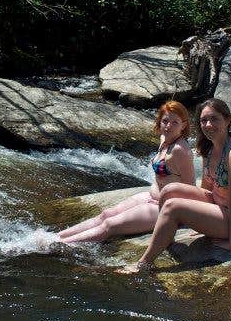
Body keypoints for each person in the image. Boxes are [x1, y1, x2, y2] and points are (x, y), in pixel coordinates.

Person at [118, 98, 231, 273]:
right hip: (219, 207)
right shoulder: (209, 147)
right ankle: (166, 238)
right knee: (169, 191)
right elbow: (206, 189)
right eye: (203, 120)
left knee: (173, 206)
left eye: (214, 119)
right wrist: (202, 217)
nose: (208, 125)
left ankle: (144, 264)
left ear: (228, 120)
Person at [58, 100, 195, 243]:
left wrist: (180, 216)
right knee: (106, 214)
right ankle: (58, 236)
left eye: (175, 123)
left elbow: (191, 188)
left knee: (110, 225)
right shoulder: (164, 140)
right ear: (160, 121)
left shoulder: (181, 150)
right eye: (165, 121)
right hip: (151, 197)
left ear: (183, 125)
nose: (168, 126)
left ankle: (59, 244)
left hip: (166, 208)